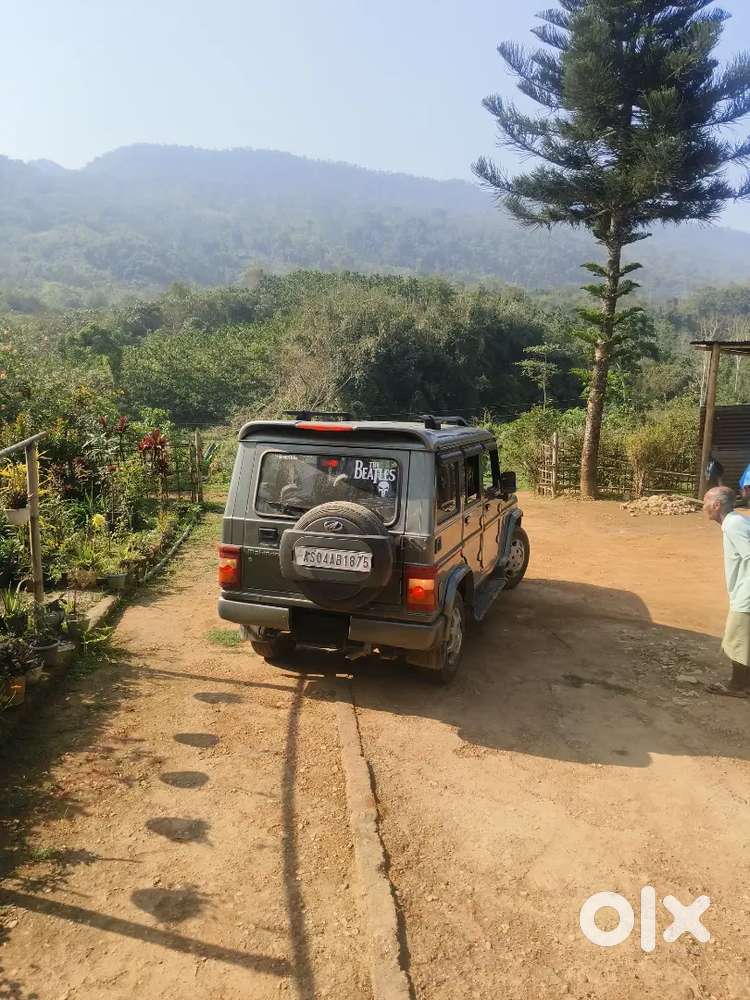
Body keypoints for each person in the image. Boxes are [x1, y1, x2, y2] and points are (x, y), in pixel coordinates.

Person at [704, 485, 750, 693]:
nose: (704, 507)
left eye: (706, 502)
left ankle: (738, 687)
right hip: (743, 592)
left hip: (746, 595)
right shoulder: (736, 522)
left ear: (716, 505)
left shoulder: (734, 525)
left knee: (735, 641)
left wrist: (745, 593)